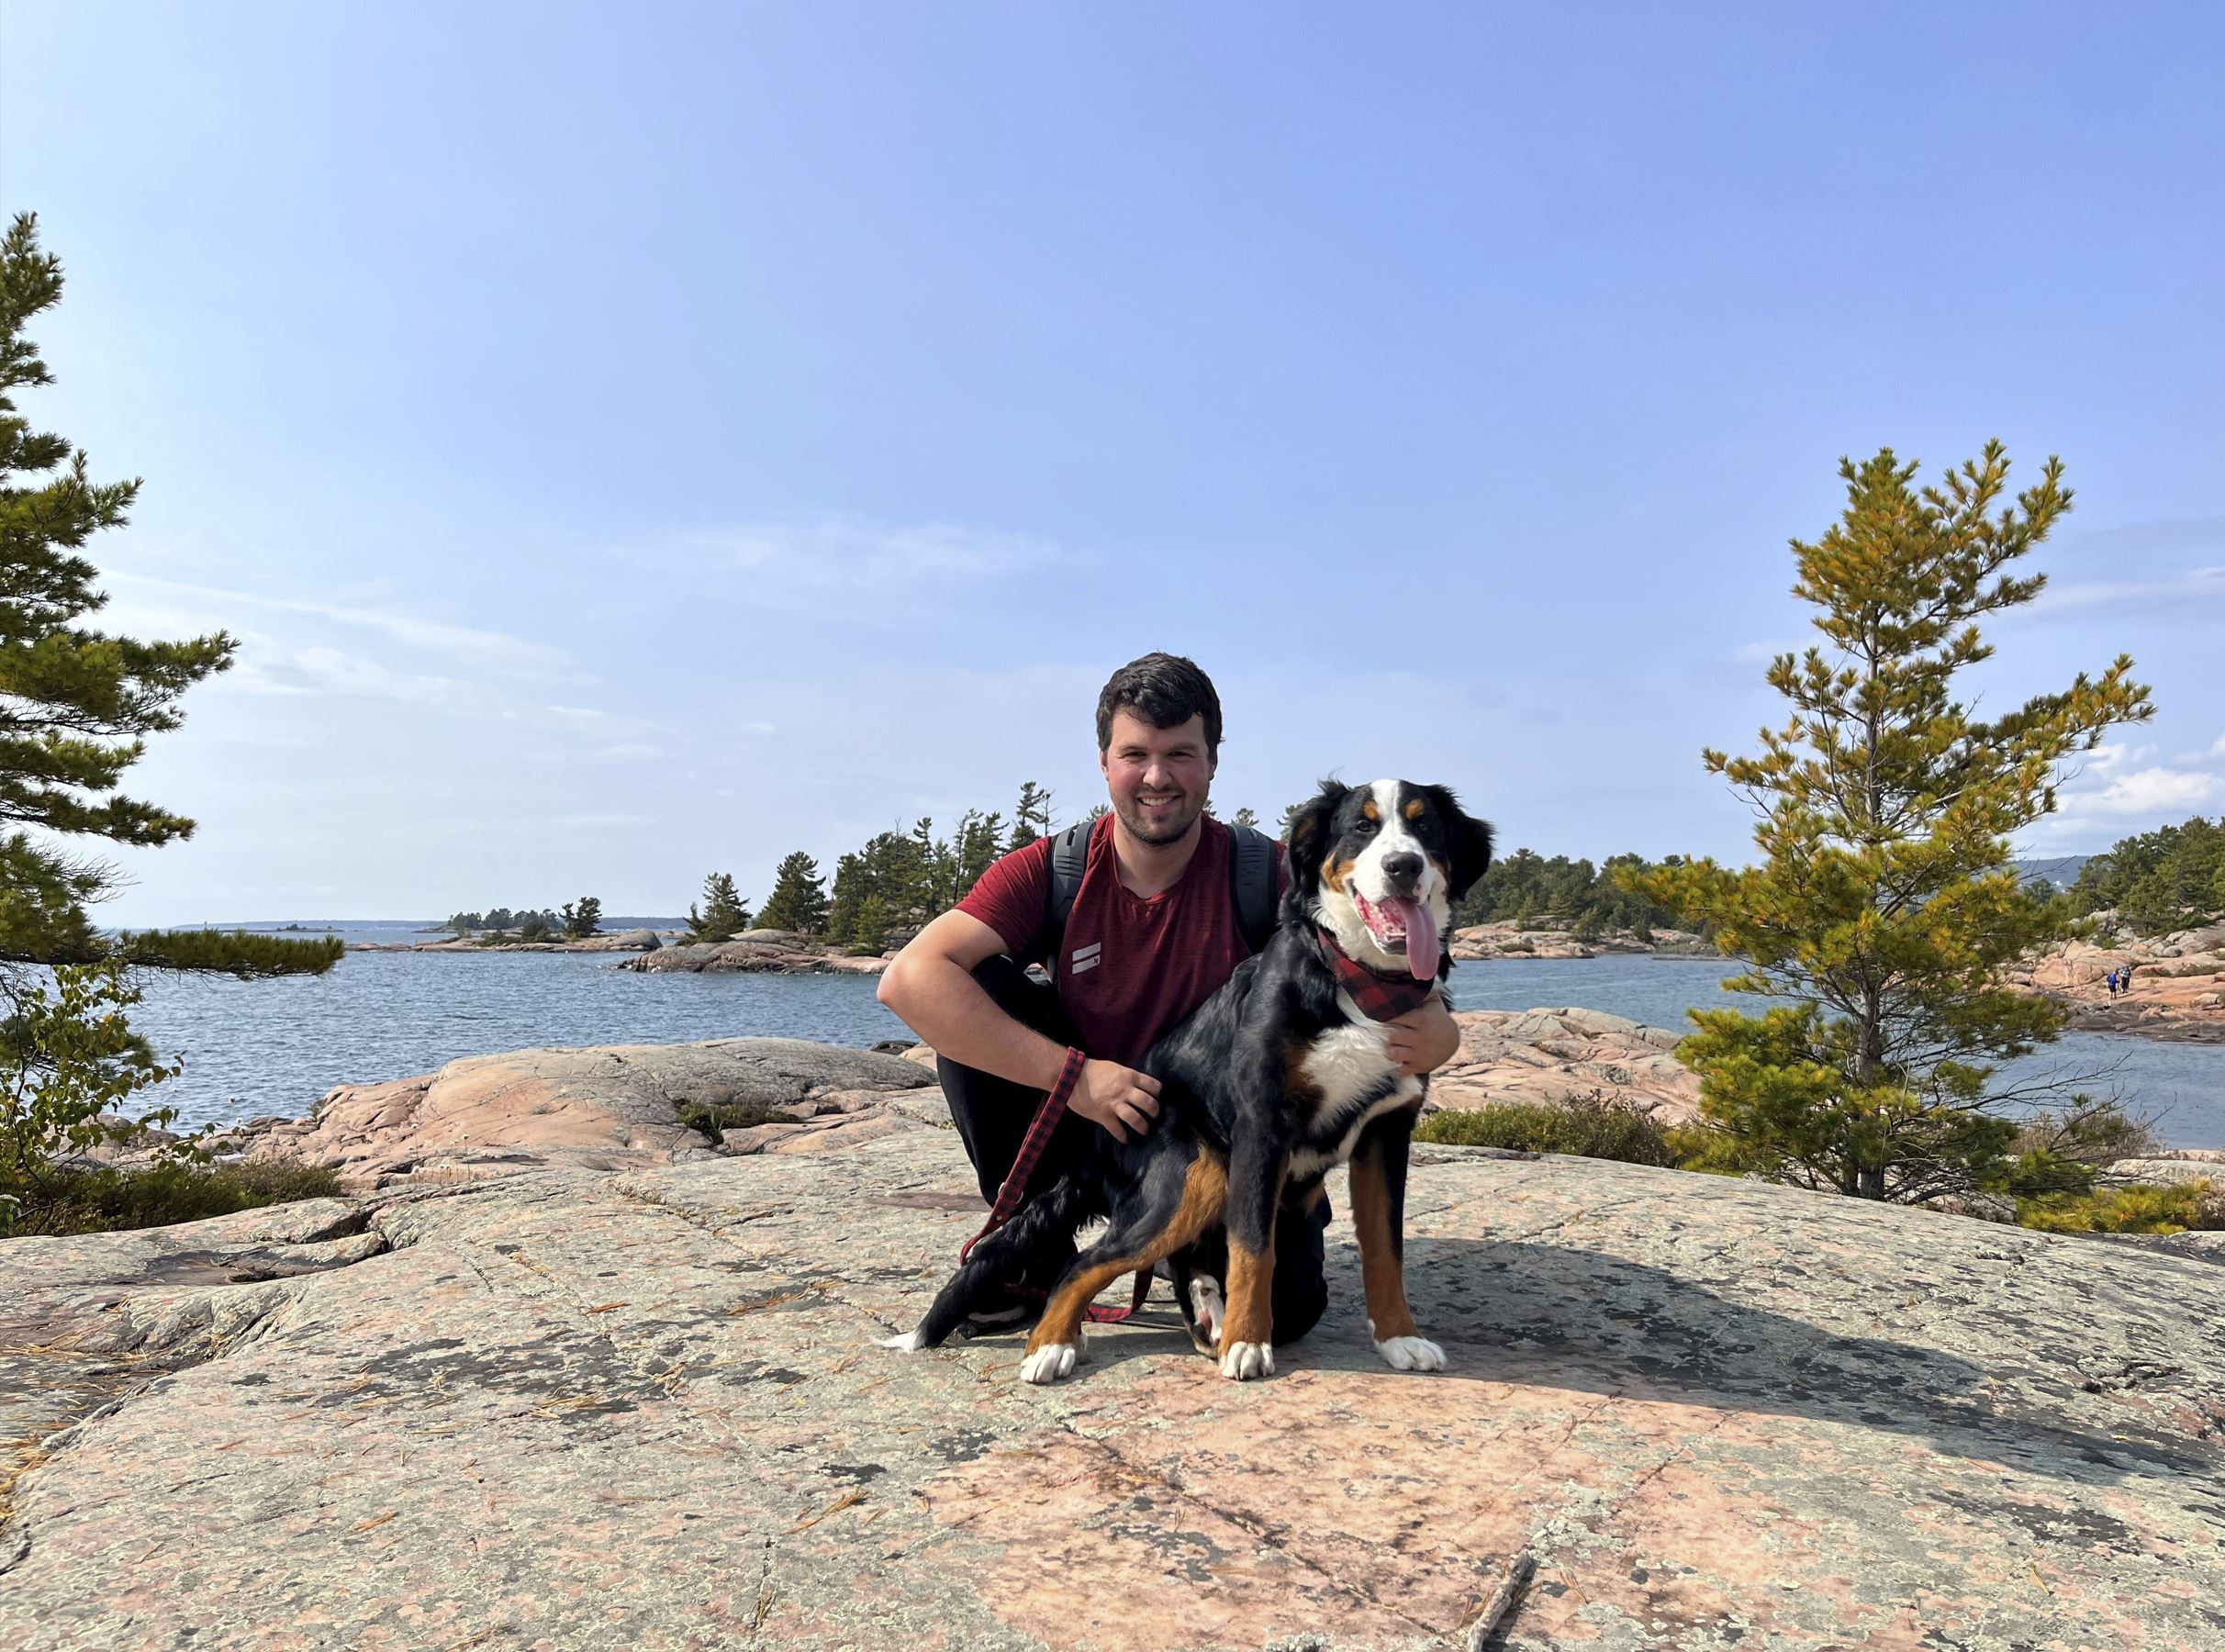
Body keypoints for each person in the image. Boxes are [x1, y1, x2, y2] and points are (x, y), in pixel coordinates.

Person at [877, 653, 1463, 1344]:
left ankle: (1196, 1257)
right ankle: (1035, 1261)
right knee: (976, 990)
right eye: (1136, 755)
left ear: (1212, 761)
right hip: (1090, 1124)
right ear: (1104, 763)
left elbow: (1388, 952)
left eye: (1180, 754)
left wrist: (1440, 1031)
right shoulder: (1055, 869)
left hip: (1215, 1134)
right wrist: (1075, 1078)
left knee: (1290, 1316)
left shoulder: (1270, 873)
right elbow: (908, 979)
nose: (1157, 777)